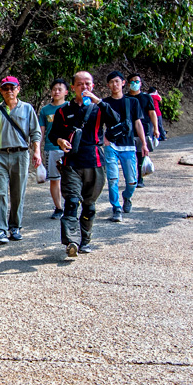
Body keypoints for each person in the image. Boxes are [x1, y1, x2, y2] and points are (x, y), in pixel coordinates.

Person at [48, 70, 115, 256]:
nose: (84, 87)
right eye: (80, 84)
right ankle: (71, 242)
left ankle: (85, 240)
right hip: (71, 163)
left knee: (89, 204)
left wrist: (98, 100)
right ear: (73, 88)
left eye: (88, 84)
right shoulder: (63, 110)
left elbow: (116, 120)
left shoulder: (99, 108)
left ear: (93, 86)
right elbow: (53, 134)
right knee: (71, 202)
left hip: (95, 162)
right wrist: (60, 141)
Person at [0, 75, 41, 245]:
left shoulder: (27, 109)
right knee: (0, 193)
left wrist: (37, 152)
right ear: (1, 91)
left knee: (17, 193)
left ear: (18, 89)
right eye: (5, 88)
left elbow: (35, 132)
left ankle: (15, 227)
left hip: (20, 155)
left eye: (12, 88)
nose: (9, 91)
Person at [100, 71, 147, 221]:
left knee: (132, 181)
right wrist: (103, 139)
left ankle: (127, 196)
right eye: (111, 82)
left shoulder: (132, 102)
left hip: (128, 146)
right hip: (111, 145)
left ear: (122, 83)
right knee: (113, 179)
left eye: (117, 81)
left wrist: (144, 143)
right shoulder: (105, 103)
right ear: (108, 85)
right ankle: (116, 208)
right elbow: (98, 124)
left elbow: (137, 123)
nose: (114, 84)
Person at [37, 79, 69, 219]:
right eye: (54, 89)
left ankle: (71, 206)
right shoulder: (45, 110)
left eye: (59, 89)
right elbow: (41, 132)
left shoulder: (70, 107)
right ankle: (58, 208)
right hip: (51, 148)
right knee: (55, 179)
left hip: (70, 148)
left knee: (70, 178)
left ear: (66, 92)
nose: (56, 92)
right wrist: (37, 148)